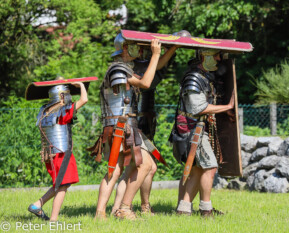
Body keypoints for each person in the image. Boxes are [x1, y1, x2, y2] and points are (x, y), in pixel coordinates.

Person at [93, 34, 177, 220]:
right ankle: (121, 209)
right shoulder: (117, 69)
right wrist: (155, 54)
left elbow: (154, 69)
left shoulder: (125, 68)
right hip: (119, 126)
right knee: (137, 166)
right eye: (134, 47)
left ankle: (110, 211)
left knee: (121, 170)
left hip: (126, 126)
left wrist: (172, 48)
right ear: (124, 48)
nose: (139, 51)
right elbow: (146, 82)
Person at [171, 49, 234, 217]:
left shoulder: (204, 77)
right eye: (215, 55)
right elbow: (197, 108)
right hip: (192, 129)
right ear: (203, 56)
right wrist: (226, 107)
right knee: (210, 166)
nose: (218, 59)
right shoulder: (194, 78)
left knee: (198, 169)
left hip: (200, 128)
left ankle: (184, 209)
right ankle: (206, 209)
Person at [28, 80, 88, 221]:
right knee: (62, 186)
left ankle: (37, 205)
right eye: (66, 94)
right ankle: (54, 221)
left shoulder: (44, 111)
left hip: (50, 154)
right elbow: (84, 99)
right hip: (62, 153)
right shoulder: (63, 111)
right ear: (61, 96)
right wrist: (81, 86)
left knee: (60, 184)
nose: (69, 97)